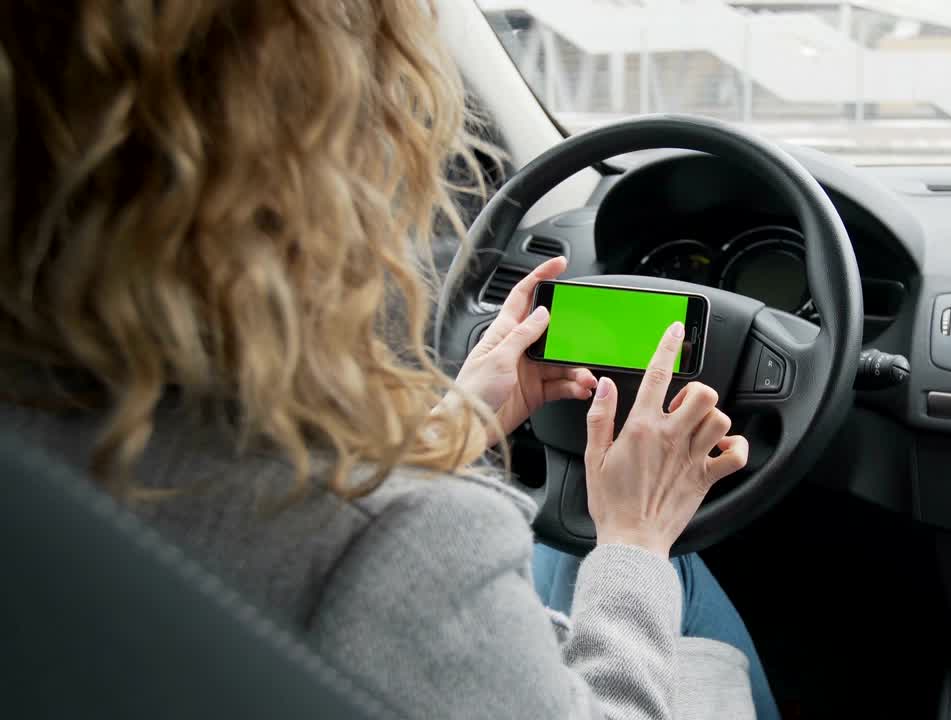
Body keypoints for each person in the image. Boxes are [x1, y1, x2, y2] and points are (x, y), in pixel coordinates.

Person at [0, 2, 778, 719]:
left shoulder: (38, 447)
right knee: (659, 573)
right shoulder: (404, 545)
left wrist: (460, 423)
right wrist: (635, 538)